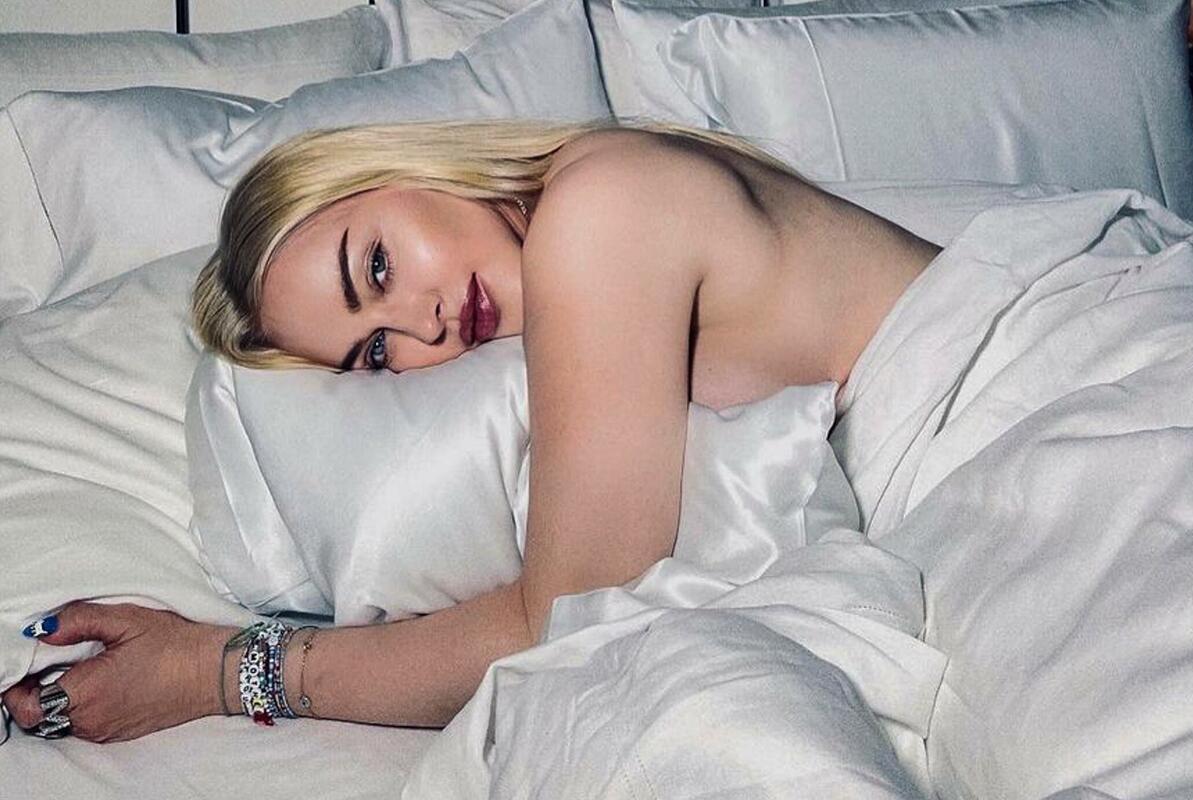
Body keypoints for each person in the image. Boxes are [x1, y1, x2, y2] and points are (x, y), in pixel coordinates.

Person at [2, 119, 940, 743]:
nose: (425, 323)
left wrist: (218, 672)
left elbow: (565, 622)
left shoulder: (599, 210)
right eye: (376, 354)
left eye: (377, 265)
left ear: (400, 171)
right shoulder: (589, 213)